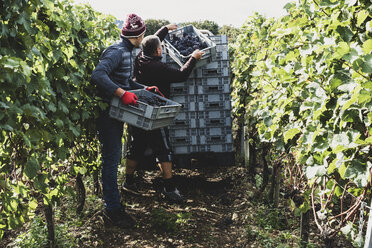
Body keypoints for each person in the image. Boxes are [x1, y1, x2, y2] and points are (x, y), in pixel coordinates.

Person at [122, 23, 204, 203]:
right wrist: (193, 57)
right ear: (158, 51)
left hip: (138, 108)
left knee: (137, 145)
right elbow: (182, 75)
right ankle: (169, 188)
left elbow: (152, 41)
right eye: (160, 48)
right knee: (163, 148)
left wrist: (166, 28)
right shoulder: (158, 68)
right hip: (155, 112)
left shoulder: (140, 58)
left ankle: (128, 182)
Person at [91, 13, 156, 228]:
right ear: (137, 35)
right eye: (143, 32)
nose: (144, 35)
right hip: (107, 115)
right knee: (111, 160)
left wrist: (144, 89)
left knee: (114, 159)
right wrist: (121, 93)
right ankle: (112, 210)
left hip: (117, 112)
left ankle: (114, 204)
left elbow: (125, 80)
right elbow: (98, 75)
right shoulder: (117, 52)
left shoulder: (129, 52)